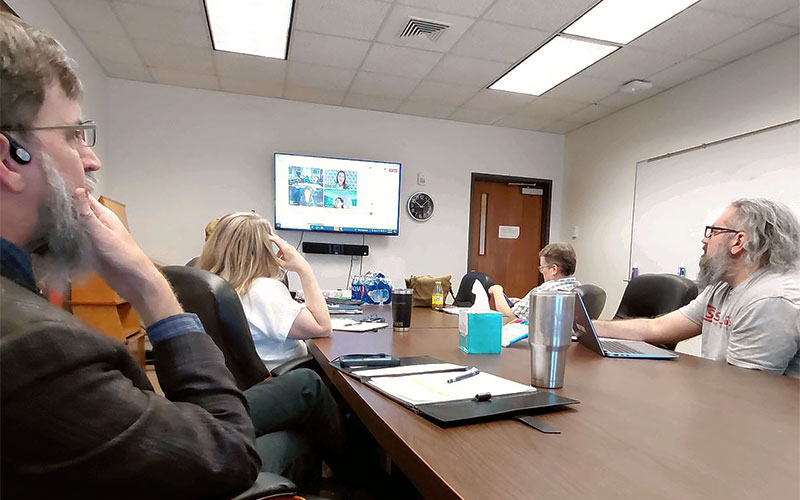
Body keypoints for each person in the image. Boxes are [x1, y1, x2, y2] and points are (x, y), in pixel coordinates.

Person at [1, 14, 355, 497]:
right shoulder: (35, 349)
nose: (91, 159)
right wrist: (147, 284)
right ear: (8, 158)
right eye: (72, 135)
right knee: (302, 419)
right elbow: (228, 452)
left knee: (297, 430)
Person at [595, 198, 800, 378]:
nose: (704, 240)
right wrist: (592, 327)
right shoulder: (722, 287)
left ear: (738, 241)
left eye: (713, 232)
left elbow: (745, 390)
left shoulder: (771, 299)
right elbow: (657, 328)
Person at [198, 212, 332, 370]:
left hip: (245, 381)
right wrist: (304, 268)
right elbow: (322, 327)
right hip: (291, 379)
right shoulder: (262, 290)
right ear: (262, 249)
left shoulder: (209, 283)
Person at [488, 242, 580, 321]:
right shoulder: (578, 288)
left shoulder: (542, 292)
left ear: (553, 269)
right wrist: (522, 303)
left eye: (542, 267)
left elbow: (510, 320)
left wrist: (497, 292)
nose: (542, 271)